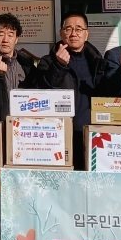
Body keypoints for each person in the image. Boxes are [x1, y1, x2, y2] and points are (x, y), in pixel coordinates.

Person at [36, 11, 110, 146]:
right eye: (68, 29)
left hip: (93, 134)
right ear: (61, 33)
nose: (73, 33)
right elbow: (40, 93)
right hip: (58, 134)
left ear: (86, 34)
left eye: (79, 29)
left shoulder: (98, 63)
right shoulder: (48, 62)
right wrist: (58, 66)